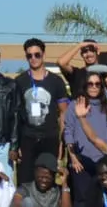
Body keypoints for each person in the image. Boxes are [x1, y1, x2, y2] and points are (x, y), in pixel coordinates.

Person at [11, 38, 69, 171]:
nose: (33, 58)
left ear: (44, 55)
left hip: (50, 138)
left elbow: (63, 113)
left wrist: (62, 141)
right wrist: (16, 144)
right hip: (27, 139)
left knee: (48, 179)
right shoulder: (19, 81)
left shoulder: (56, 81)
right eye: (29, 55)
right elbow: (16, 115)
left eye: (37, 54)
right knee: (26, 182)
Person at [61, 73, 107, 207]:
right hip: (81, 160)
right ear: (85, 86)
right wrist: (73, 157)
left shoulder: (105, 106)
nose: (94, 87)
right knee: (82, 197)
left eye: (97, 84)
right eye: (90, 84)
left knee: (101, 197)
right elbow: (68, 131)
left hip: (102, 160)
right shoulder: (75, 104)